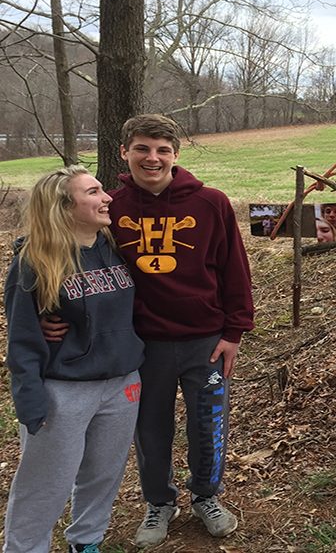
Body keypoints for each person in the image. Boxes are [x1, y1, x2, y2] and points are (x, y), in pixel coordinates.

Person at [41, 114, 254, 547]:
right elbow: (71, 257)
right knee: (150, 429)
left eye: (162, 150)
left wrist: (234, 331)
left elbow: (235, 270)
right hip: (142, 345)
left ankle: (206, 496)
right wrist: (50, 309)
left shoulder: (211, 203)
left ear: (176, 155)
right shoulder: (111, 208)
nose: (152, 158)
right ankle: (159, 502)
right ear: (124, 152)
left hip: (205, 342)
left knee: (208, 424)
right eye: (142, 148)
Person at [4, 166, 144, 553]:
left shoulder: (114, 245)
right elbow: (23, 338)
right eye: (94, 192)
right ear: (65, 207)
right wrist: (29, 396)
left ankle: (86, 541)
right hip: (64, 390)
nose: (107, 198)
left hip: (121, 384)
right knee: (46, 482)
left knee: (103, 475)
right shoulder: (35, 261)